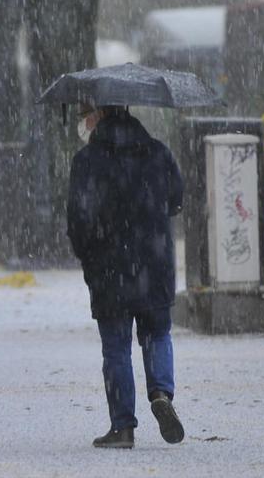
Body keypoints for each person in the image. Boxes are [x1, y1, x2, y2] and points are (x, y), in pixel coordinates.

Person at [67, 105, 185, 449]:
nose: (83, 120)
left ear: (99, 116)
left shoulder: (87, 161)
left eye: (85, 113)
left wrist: (88, 254)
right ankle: (161, 392)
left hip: (109, 270)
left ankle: (123, 428)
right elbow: (176, 199)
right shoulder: (158, 151)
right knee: (158, 333)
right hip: (155, 264)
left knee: (117, 348)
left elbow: (78, 219)